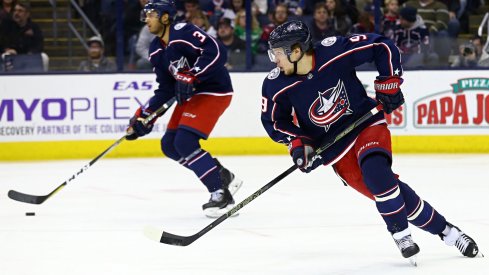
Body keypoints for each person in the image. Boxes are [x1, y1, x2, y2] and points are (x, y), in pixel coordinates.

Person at [261, 20, 480, 263]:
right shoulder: (275, 85)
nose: (275, 60)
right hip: (335, 150)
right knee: (393, 194)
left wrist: (388, 85)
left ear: (296, 50)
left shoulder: (332, 51)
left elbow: (382, 46)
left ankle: (400, 234)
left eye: (278, 53)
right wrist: (300, 145)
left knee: (377, 172)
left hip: (366, 125)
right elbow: (275, 122)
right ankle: (448, 232)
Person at [126, 0, 243, 218]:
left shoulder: (183, 31)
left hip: (214, 90)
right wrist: (144, 116)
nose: (147, 19)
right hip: (191, 96)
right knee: (170, 145)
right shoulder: (155, 50)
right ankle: (221, 175)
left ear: (165, 17)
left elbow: (217, 50)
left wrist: (194, 73)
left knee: (184, 142)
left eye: (151, 15)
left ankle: (221, 194)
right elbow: (166, 89)